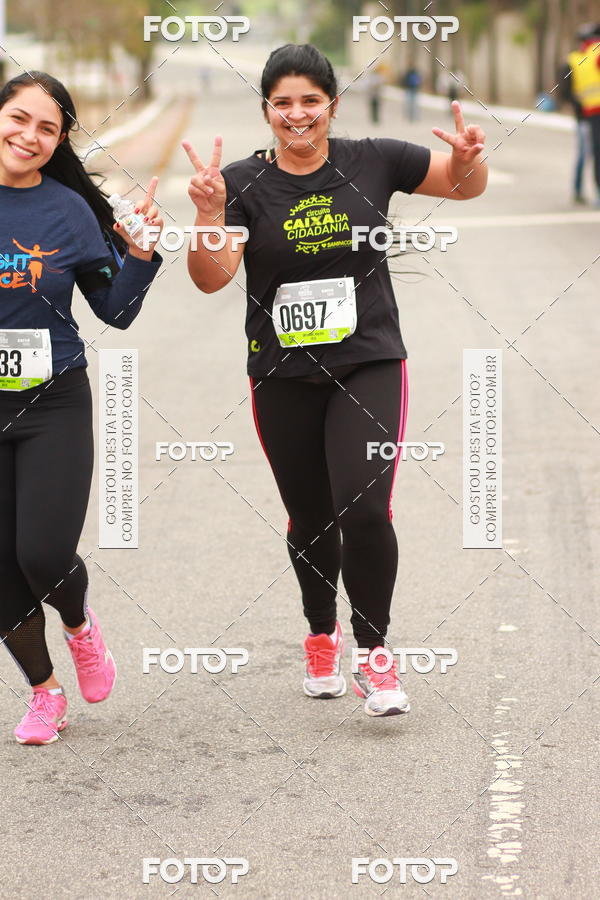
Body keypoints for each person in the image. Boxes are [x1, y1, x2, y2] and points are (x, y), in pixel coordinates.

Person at [183, 44, 487, 717]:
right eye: (283, 103)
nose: (297, 114)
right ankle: (321, 633)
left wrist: (468, 159)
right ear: (266, 110)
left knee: (366, 508)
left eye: (310, 101)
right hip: (282, 372)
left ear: (332, 106)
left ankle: (374, 655)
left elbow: (461, 184)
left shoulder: (375, 158)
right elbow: (211, 279)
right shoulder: (237, 183)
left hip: (368, 359)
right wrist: (208, 215)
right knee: (312, 519)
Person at [0, 72, 164, 744]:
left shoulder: (69, 211)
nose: (29, 136)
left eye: (47, 128)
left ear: (61, 139)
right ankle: (44, 694)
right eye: (18, 118)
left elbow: (114, 310)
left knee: (41, 552)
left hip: (52, 402)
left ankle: (79, 626)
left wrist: (142, 256)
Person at [566, 23, 600, 206]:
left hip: (588, 114)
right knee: (588, 154)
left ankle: (582, 191)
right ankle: (581, 190)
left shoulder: (579, 58)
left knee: (588, 154)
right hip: (587, 116)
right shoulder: (582, 59)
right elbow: (566, 90)